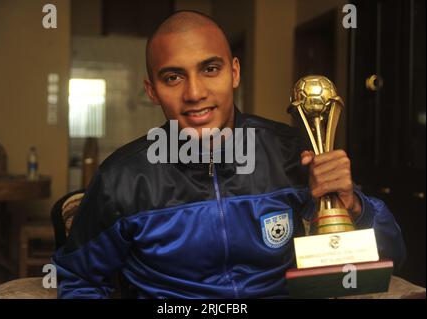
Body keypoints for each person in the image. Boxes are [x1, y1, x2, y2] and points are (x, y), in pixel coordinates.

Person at [53, 10, 405, 299]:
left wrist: (353, 205)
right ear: (152, 91)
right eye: (173, 77)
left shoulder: (294, 153)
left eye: (210, 69)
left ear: (234, 72)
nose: (195, 93)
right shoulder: (123, 177)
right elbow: (78, 278)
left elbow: (391, 259)